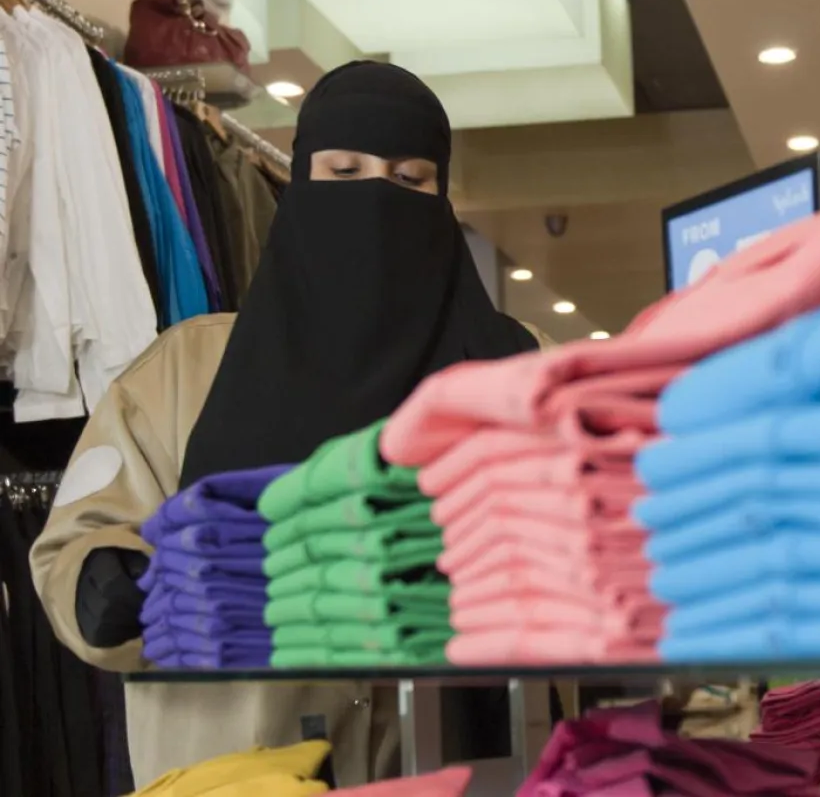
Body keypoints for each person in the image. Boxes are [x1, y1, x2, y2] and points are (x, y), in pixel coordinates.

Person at [28, 61, 555, 788]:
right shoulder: (185, 373)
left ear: (441, 199)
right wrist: (109, 581)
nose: (375, 199)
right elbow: (76, 543)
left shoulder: (520, 371)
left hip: (474, 768)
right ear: (302, 182)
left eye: (409, 179)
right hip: (240, 769)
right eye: (345, 171)